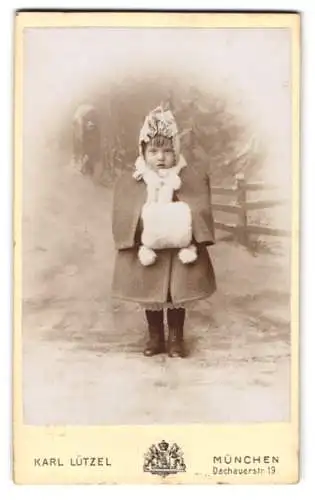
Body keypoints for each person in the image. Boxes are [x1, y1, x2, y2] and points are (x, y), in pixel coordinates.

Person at [111, 106, 216, 358]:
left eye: (167, 151)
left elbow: (198, 205)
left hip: (179, 249)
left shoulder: (185, 178)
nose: (160, 157)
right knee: (151, 293)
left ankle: (176, 338)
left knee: (176, 293)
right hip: (149, 249)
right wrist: (137, 231)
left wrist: (187, 226)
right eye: (153, 151)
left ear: (175, 152)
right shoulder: (136, 180)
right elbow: (125, 210)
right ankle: (155, 336)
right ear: (143, 152)